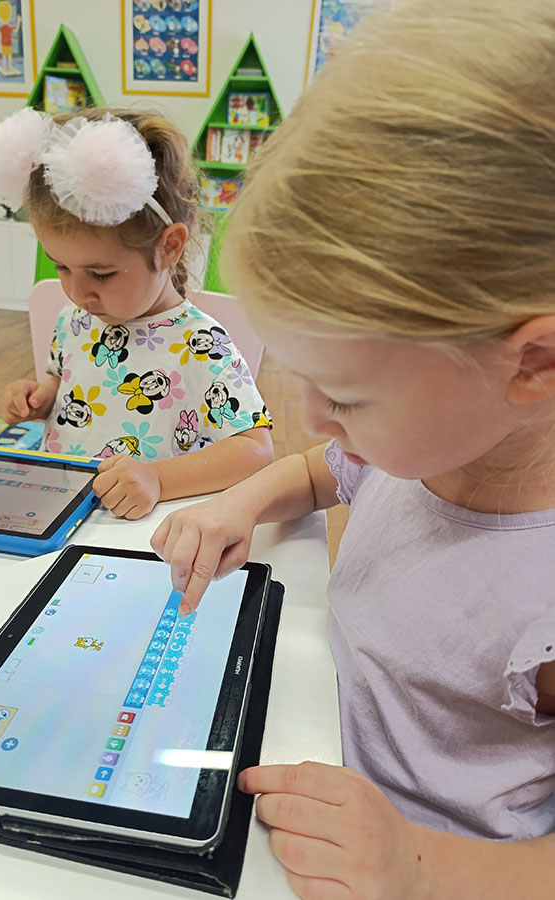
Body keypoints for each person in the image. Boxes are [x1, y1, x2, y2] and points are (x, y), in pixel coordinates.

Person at [151, 0, 555, 895]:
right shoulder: (418, 445)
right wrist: (238, 502)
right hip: (311, 755)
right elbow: (318, 472)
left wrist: (419, 865)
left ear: (534, 364)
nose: (309, 416)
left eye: (344, 395)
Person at [0, 107, 272, 520]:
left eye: (100, 274)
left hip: (145, 530)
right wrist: (42, 398)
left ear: (169, 247)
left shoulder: (200, 344)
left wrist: (159, 478)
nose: (78, 292)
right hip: (64, 512)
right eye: (61, 267)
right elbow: (64, 381)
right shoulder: (74, 320)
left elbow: (255, 450)